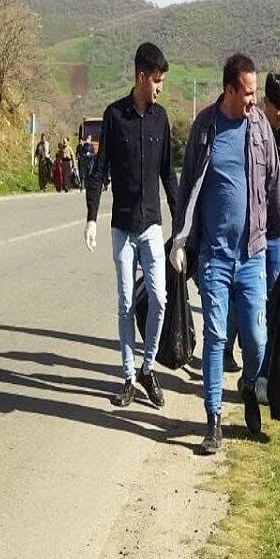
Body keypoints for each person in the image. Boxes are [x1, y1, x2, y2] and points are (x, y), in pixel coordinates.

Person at [169, 52, 280, 451]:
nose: (253, 101)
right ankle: (212, 421)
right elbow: (188, 186)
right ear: (229, 89)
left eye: (255, 93)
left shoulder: (259, 125)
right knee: (214, 336)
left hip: (254, 254)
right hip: (215, 257)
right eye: (247, 93)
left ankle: (248, 384)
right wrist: (180, 241)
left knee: (257, 337)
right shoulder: (205, 128)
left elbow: (275, 182)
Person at [84, 42, 180, 411]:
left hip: (152, 227)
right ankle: (127, 376)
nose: (159, 87)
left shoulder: (161, 118)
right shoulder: (114, 116)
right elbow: (99, 171)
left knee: (159, 298)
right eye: (157, 80)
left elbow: (168, 175)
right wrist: (92, 217)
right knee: (126, 301)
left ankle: (147, 366)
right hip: (122, 228)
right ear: (142, 76)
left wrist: (182, 228)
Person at [224, 72, 280, 392]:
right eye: (278, 107)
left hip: (274, 232)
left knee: (270, 302)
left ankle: (262, 373)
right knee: (236, 298)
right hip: (246, 229)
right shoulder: (249, 128)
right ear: (266, 103)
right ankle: (227, 347)